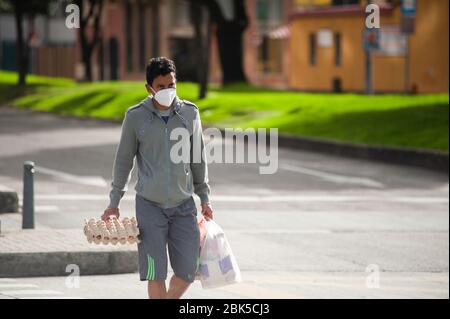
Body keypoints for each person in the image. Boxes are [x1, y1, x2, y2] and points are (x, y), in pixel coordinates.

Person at [102, 57, 213, 299]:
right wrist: (114, 203)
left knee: (188, 270)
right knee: (155, 272)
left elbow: (198, 159)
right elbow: (123, 162)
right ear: (149, 88)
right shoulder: (135, 117)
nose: (167, 91)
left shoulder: (189, 114)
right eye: (161, 87)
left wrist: (204, 198)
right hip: (150, 207)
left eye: (171, 85)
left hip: (184, 206)